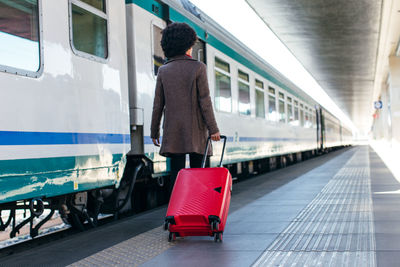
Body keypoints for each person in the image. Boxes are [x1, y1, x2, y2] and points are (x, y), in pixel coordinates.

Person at [150, 22, 220, 195]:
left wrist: (154, 131)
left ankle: (177, 212)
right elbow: (205, 101)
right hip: (197, 131)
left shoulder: (164, 71)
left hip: (173, 132)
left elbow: (158, 104)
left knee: (177, 175)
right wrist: (214, 129)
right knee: (200, 172)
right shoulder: (198, 67)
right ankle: (200, 208)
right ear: (189, 45)